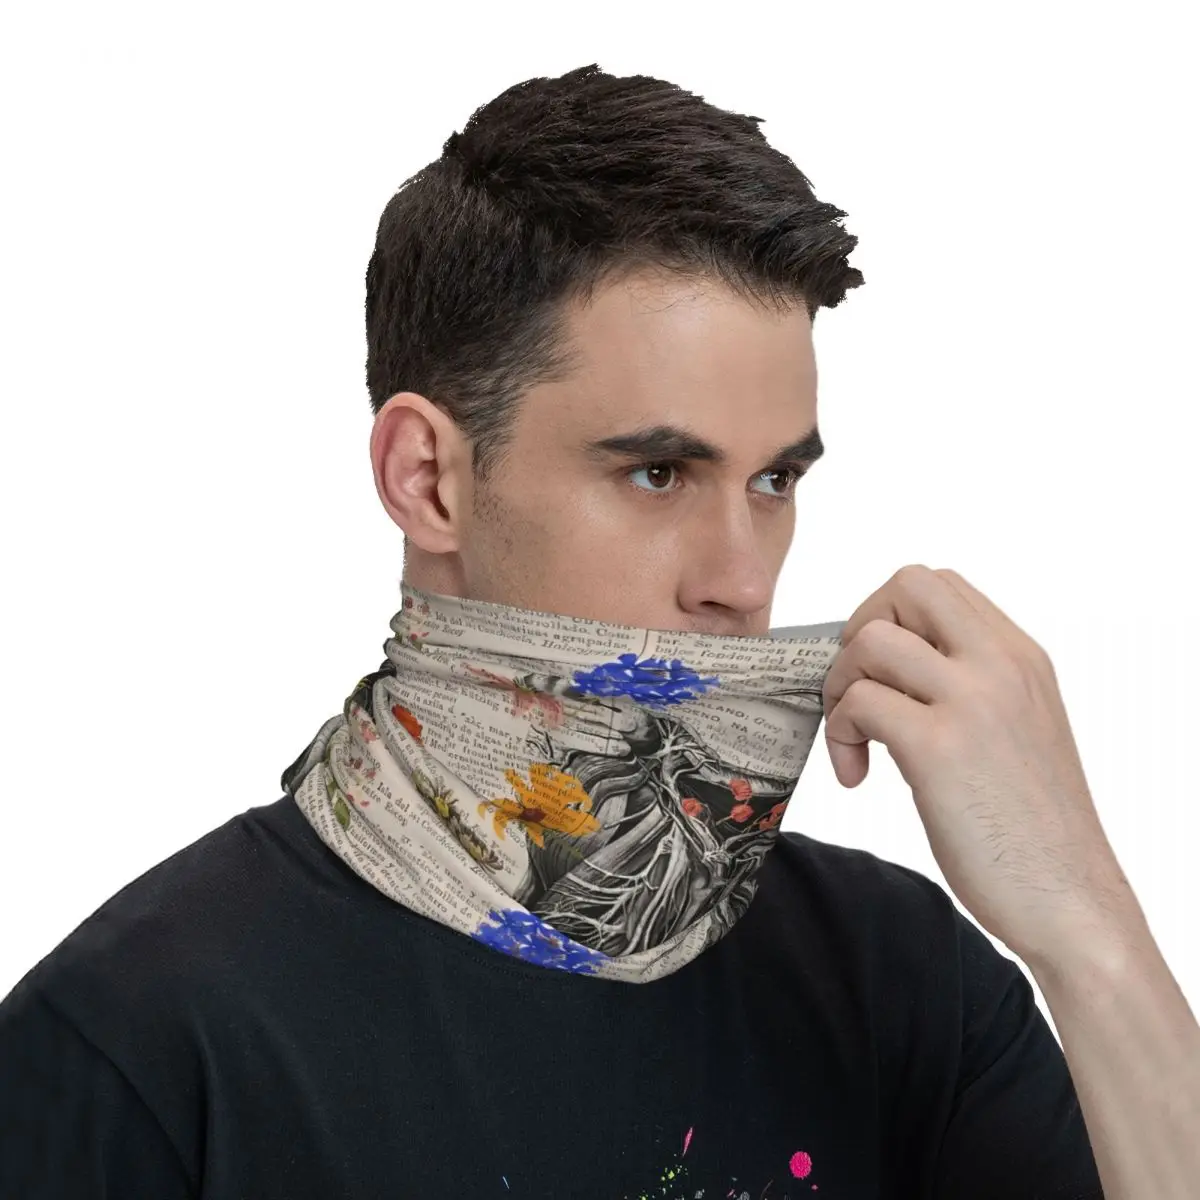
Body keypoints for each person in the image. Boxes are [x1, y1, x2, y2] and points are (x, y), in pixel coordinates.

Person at [0, 63, 1108, 1198]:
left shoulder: (903, 982)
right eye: (659, 472)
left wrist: (1085, 929)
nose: (741, 580)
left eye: (774, 481)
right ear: (428, 479)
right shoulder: (135, 1046)